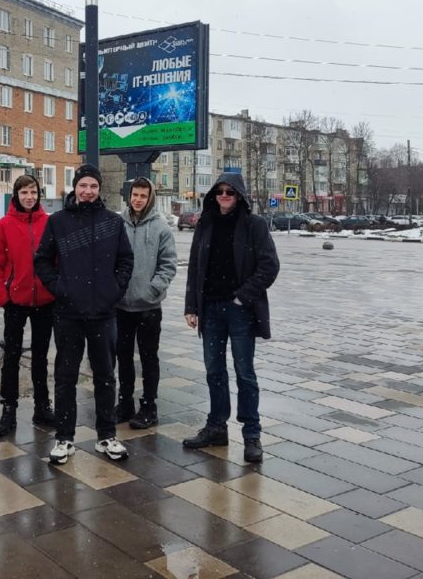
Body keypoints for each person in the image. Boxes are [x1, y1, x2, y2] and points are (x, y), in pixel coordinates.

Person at [34, 163, 134, 464]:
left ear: (99, 189)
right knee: (65, 377)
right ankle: (64, 438)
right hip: (68, 314)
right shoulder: (58, 222)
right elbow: (41, 260)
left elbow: (126, 261)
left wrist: (112, 290)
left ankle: (107, 435)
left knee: (105, 376)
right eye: (83, 185)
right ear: (74, 188)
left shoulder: (112, 223)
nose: (87, 191)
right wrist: (60, 288)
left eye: (93, 186)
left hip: (103, 313)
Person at [183, 173, 279, 464]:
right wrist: (192, 306)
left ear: (240, 196)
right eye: (220, 192)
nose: (225, 196)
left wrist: (242, 296)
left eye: (230, 192)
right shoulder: (206, 224)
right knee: (214, 370)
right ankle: (216, 427)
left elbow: (270, 266)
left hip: (239, 311)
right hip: (210, 309)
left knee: (244, 373)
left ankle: (252, 436)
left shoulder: (254, 225)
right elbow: (195, 267)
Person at [0, 174, 56, 437]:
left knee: (40, 356)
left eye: (33, 192)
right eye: (24, 192)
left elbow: (56, 259)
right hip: (16, 301)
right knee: (12, 356)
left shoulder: (49, 223)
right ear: (16, 195)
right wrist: (3, 297)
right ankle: (8, 410)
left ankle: (42, 406)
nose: (29, 197)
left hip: (45, 302)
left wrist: (54, 288)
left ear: (39, 195)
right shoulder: (3, 226)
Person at [115, 177, 177, 430]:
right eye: (135, 195)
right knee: (124, 357)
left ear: (149, 198)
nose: (138, 200)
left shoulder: (161, 227)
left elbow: (168, 264)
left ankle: (149, 406)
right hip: (121, 306)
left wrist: (154, 289)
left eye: (143, 195)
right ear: (129, 196)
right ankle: (125, 402)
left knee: (149, 358)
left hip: (149, 306)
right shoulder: (119, 224)